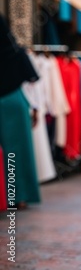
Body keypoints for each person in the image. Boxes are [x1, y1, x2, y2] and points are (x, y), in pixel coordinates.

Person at [0, 14, 41, 209]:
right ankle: (19, 196)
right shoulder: (14, 51)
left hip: (10, 100)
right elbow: (32, 80)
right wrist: (35, 107)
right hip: (13, 100)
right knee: (15, 152)